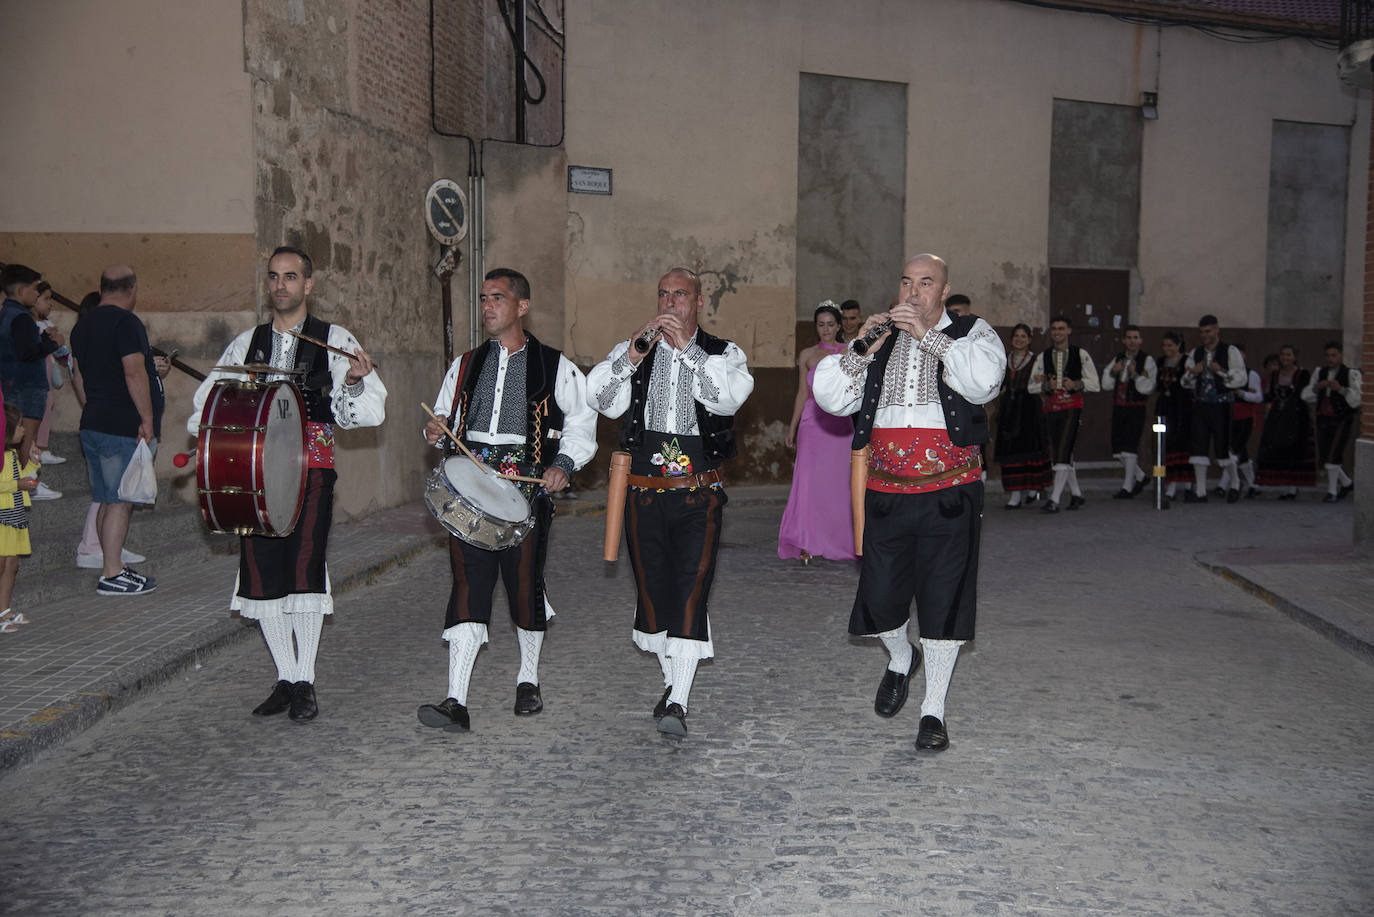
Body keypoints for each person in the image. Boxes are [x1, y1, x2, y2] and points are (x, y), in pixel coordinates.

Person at [813, 253, 1003, 754]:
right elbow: (831, 398)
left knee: (945, 598)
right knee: (880, 596)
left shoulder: (972, 332)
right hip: (886, 490)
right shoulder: (879, 339)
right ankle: (901, 658)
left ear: (944, 290)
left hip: (951, 490)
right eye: (906, 282)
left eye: (926, 283)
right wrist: (859, 348)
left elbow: (983, 382)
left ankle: (933, 710)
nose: (913, 292)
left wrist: (929, 335)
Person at [187, 246, 386, 721]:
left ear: (308, 285)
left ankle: (304, 683)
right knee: (262, 576)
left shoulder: (333, 340)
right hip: (254, 477)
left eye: (291, 277)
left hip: (311, 470)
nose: (281, 285)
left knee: (303, 569)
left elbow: (369, 410)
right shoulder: (246, 344)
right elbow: (205, 406)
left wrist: (356, 382)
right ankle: (288, 678)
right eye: (274, 277)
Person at [416, 268, 597, 733]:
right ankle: (456, 699)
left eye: (497, 298)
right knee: (467, 585)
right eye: (482, 298)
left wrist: (564, 464)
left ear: (522, 306)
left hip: (527, 489)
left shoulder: (556, 365)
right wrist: (437, 429)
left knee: (524, 582)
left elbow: (581, 424)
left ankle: (528, 679)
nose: (487, 307)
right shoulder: (465, 364)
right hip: (470, 487)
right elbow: (442, 421)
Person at [587, 267, 754, 737]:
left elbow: (726, 399)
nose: (669, 303)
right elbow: (600, 399)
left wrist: (689, 352)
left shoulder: (724, 353)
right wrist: (630, 358)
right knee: (654, 595)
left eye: (679, 295)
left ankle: (678, 701)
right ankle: (671, 684)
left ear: (698, 302)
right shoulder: (634, 349)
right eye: (663, 294)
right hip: (642, 493)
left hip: (697, 494)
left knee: (690, 590)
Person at [69, 266, 163, 596]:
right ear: (132, 290)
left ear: (102, 287)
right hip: (121, 425)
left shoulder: (82, 327)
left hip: (93, 421)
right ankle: (112, 573)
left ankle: (111, 565)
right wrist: (147, 419)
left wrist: (91, 407)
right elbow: (133, 373)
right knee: (121, 501)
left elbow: (77, 375)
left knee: (107, 500)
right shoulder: (126, 322)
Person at [778, 301, 856, 563]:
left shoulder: (849, 352)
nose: (825, 329)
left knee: (839, 483)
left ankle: (841, 540)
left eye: (830, 324)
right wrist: (792, 427)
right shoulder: (806, 355)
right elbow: (802, 393)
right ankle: (807, 542)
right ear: (816, 327)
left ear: (839, 325)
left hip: (840, 424)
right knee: (809, 483)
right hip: (812, 424)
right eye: (821, 325)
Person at [1027, 315, 1099, 513]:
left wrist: (1077, 384)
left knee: (1062, 451)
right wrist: (1045, 385)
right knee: (1063, 452)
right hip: (1051, 408)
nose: (1057, 332)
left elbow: (1095, 384)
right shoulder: (1044, 356)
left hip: (1072, 408)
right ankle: (1076, 494)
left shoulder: (1080, 354)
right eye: (1054, 329)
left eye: (1061, 329)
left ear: (1069, 331)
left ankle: (1054, 499)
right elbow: (1031, 386)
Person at [0, 264, 65, 474]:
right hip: (26, 387)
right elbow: (27, 353)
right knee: (27, 439)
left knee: (15, 440)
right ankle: (27, 482)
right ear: (21, 291)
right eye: (35, 288)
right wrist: (53, 343)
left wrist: (43, 339)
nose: (37, 293)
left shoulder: (6, 313)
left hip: (12, 383)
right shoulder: (21, 317)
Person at [1179, 314, 1246, 503]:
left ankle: (1235, 483)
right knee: (1198, 446)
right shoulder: (1196, 353)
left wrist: (1221, 371)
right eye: (1201, 332)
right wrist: (1193, 373)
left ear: (1217, 329)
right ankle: (1200, 491)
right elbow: (1185, 382)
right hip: (1201, 405)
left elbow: (1241, 378)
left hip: (1222, 405)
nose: (1204, 335)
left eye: (1208, 331)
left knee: (1223, 447)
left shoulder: (1229, 351)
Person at [995, 323, 1050, 508]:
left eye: (1023, 336)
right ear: (1011, 339)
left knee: (1029, 450)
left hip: (1029, 412)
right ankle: (1015, 495)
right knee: (1010, 452)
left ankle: (1033, 489)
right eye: (1016, 336)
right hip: (1009, 412)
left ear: (1029, 340)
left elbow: (1043, 384)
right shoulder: (1005, 359)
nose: (1019, 339)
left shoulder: (1037, 361)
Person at [1099, 325, 1157, 499]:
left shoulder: (1147, 360)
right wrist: (1113, 371)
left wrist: (1134, 374)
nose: (1132, 341)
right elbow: (1106, 383)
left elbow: (1148, 386)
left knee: (1130, 447)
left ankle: (1127, 487)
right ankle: (1140, 476)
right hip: (1119, 407)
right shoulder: (1119, 358)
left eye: (1135, 337)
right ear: (1124, 340)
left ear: (1140, 340)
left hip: (1136, 408)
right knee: (1118, 450)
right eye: (1129, 337)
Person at [1302, 341, 1362, 503]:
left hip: (1342, 419)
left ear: (1341, 355)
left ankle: (1332, 491)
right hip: (1323, 419)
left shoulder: (1351, 373)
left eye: (1334, 355)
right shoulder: (1320, 372)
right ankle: (1348, 483)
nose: (1330, 359)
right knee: (1325, 453)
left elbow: (1357, 400)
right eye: (1328, 355)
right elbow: (1306, 395)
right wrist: (1317, 387)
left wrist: (1341, 389)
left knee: (1333, 454)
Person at [1256, 345, 1314, 500]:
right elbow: (1269, 395)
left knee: (1294, 451)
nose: (1285, 358)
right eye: (1282, 354)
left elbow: (1305, 395)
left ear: (1294, 356)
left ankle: (1292, 488)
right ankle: (1285, 486)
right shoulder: (1275, 375)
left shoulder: (1302, 374)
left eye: (1288, 355)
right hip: (1278, 416)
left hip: (1296, 417)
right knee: (1277, 450)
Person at [0, 402, 38, 633]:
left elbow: (24, 477)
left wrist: (33, 462)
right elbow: (12, 483)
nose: (24, 430)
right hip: (1, 517)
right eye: (20, 426)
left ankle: (4, 610)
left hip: (14, 516)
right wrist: (18, 484)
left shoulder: (12, 455)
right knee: (1, 564)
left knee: (11, 566)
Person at [31, 282, 71, 476]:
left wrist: (61, 347)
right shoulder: (27, 324)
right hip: (34, 376)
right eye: (46, 299)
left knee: (48, 405)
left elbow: (60, 351)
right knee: (40, 408)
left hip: (47, 372)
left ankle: (42, 446)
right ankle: (39, 447)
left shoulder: (46, 324)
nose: (50, 304)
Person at [1218, 344, 1263, 499]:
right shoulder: (1224, 373)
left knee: (1233, 451)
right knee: (1239, 452)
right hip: (1228, 417)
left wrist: (1241, 393)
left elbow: (1258, 397)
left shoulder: (1251, 375)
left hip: (1245, 418)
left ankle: (1224, 485)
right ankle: (1252, 485)